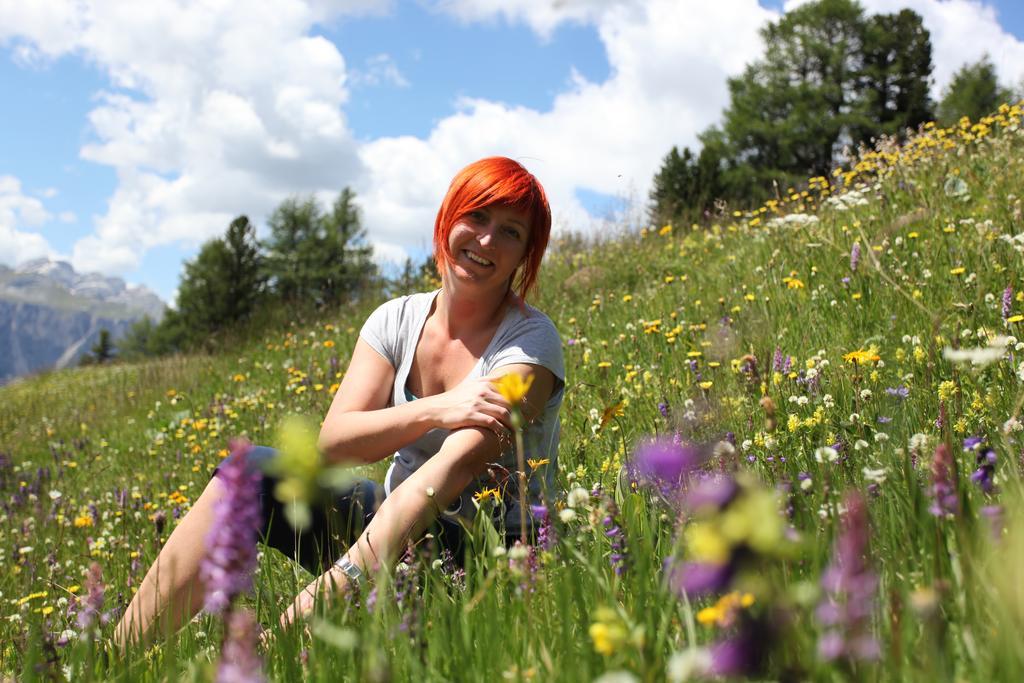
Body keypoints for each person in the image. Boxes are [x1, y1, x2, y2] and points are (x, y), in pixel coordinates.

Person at [114, 156, 565, 647]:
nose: (485, 241)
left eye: (510, 232)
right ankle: (119, 659)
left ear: (525, 254)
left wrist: (321, 596)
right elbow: (335, 443)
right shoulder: (394, 320)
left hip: (490, 559)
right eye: (476, 216)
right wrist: (437, 408)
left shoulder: (529, 345)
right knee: (249, 473)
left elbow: (446, 477)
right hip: (397, 524)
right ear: (448, 217)